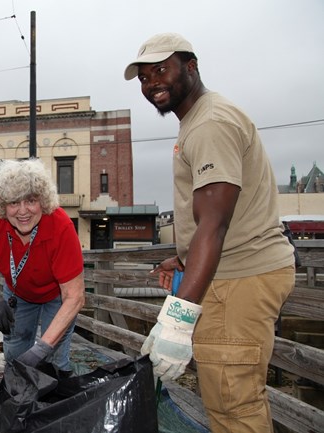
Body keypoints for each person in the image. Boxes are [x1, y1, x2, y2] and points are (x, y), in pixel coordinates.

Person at [124, 33, 295, 432]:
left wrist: (178, 319)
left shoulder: (210, 124)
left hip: (239, 279)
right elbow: (215, 218)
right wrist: (184, 257)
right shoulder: (198, 120)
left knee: (233, 403)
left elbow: (214, 223)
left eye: (161, 70)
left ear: (191, 66)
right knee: (230, 397)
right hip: (233, 273)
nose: (152, 84)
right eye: (145, 78)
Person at [0, 158, 85, 375]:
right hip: (18, 292)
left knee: (53, 361)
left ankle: (52, 404)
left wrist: (43, 347)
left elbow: (75, 296)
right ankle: (19, 400)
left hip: (57, 297)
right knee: (15, 355)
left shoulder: (61, 226)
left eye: (31, 201)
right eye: (14, 203)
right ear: (3, 205)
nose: (23, 211)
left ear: (42, 201)